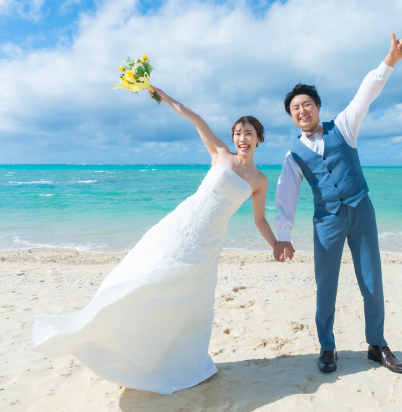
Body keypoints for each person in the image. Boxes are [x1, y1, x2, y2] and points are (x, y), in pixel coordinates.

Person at [31, 87, 286, 394]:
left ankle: (188, 365)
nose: (242, 139)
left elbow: (259, 218)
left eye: (248, 133)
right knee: (149, 277)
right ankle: (117, 341)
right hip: (182, 226)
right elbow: (192, 116)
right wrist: (157, 92)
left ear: (259, 137)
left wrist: (275, 243)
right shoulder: (220, 153)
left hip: (209, 243)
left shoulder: (259, 180)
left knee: (193, 301)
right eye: (237, 133)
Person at [274, 33, 402, 374]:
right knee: (326, 285)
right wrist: (283, 234)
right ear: (291, 117)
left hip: (361, 209)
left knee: (371, 280)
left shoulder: (345, 127)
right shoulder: (294, 154)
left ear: (317, 107)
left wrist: (389, 61)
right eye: (295, 108)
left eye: (306, 104)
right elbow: (286, 194)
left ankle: (377, 344)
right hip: (326, 221)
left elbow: (366, 92)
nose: (302, 110)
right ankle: (327, 348)